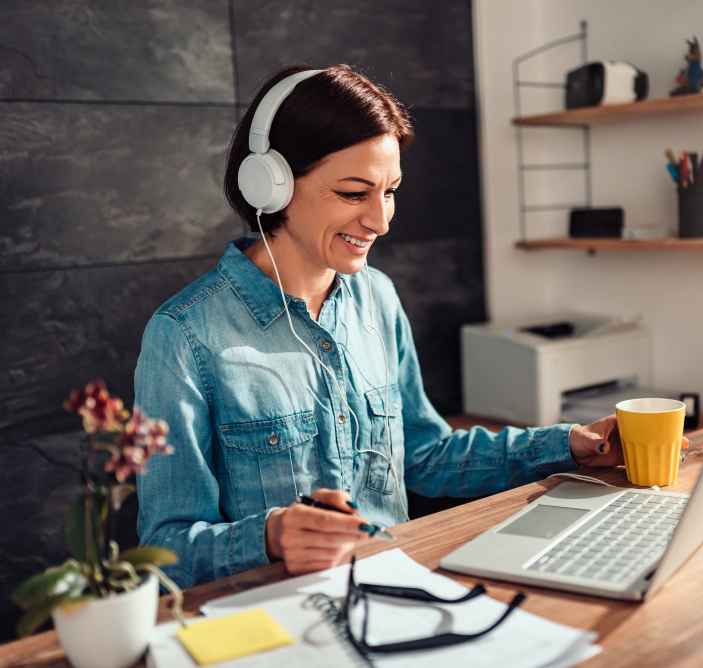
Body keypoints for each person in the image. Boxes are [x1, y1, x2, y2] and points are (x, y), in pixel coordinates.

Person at [134, 64, 627, 590]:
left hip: (398, 589)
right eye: (354, 193)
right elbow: (163, 552)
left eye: (389, 191)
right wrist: (271, 537)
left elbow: (424, 456)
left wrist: (570, 446)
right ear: (270, 186)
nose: (381, 220)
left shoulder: (377, 297)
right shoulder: (183, 336)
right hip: (280, 616)